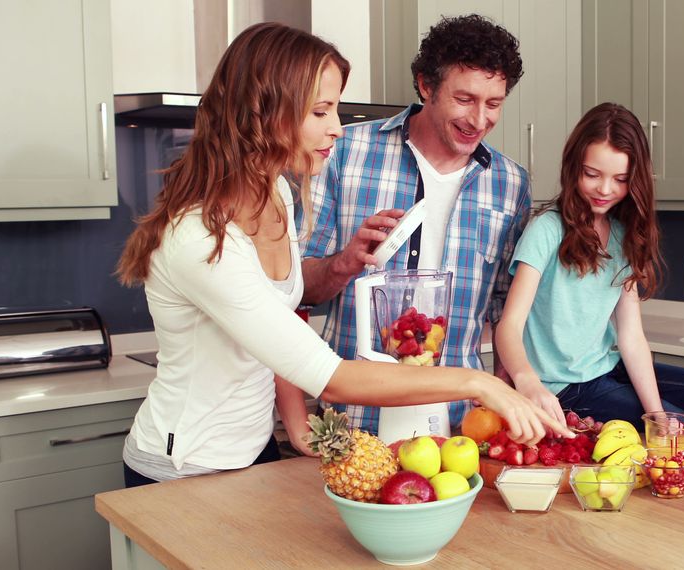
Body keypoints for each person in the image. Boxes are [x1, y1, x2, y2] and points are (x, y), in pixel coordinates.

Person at [115, 22, 566, 487]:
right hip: (186, 466)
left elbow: (282, 319)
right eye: (320, 111)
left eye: (334, 109)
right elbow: (327, 375)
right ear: (261, 113)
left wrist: (293, 423)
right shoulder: (200, 239)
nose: (336, 127)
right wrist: (481, 383)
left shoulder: (277, 196)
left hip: (256, 450)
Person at [300, 14, 529, 435]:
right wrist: (344, 263)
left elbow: (504, 312)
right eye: (465, 99)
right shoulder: (344, 152)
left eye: (493, 103)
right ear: (426, 85)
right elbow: (295, 290)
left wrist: (504, 407)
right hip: (354, 422)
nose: (479, 120)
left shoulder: (510, 183)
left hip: (461, 425)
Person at [494, 102, 684, 447]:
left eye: (621, 179)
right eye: (592, 174)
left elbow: (631, 336)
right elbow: (509, 325)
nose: (605, 189)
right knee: (682, 437)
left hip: (607, 371)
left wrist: (654, 412)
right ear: (572, 168)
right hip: (564, 388)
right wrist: (528, 383)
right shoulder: (547, 229)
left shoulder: (622, 234)